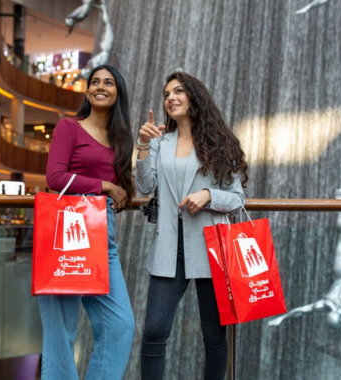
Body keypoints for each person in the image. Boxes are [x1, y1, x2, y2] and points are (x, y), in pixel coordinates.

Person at [135, 71, 249, 380]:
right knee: (154, 331)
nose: (170, 97)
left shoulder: (220, 142)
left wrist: (209, 195)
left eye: (178, 91)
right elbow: (144, 188)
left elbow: (238, 199)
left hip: (212, 247)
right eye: (166, 93)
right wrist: (144, 144)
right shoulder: (160, 141)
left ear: (194, 97)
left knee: (214, 337)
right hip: (168, 247)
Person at [41, 65, 136, 380]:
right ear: (87, 91)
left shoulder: (120, 140)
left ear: (117, 92)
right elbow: (55, 177)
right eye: (94, 81)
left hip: (102, 234)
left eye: (108, 83)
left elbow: (129, 190)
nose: (100, 86)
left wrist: (148, 149)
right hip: (65, 233)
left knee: (121, 325)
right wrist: (104, 186)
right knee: (61, 332)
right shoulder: (69, 127)